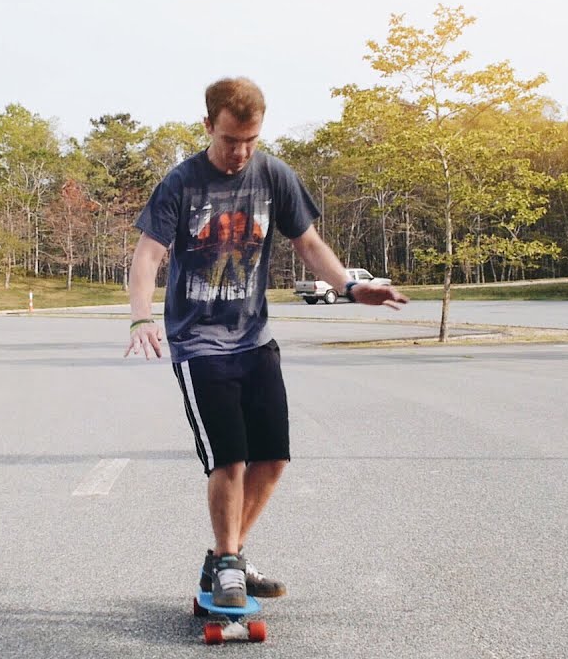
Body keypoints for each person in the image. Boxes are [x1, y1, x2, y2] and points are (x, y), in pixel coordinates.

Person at [124, 77, 407, 607]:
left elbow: (308, 243)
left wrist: (350, 286)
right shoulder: (181, 183)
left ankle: (224, 559)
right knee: (229, 459)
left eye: (251, 140)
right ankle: (229, 565)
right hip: (199, 343)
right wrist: (141, 317)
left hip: (255, 339)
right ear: (208, 126)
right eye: (230, 140)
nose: (241, 152)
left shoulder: (274, 174)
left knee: (272, 458)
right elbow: (148, 254)